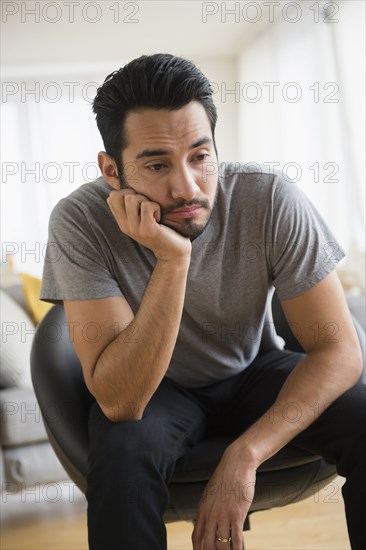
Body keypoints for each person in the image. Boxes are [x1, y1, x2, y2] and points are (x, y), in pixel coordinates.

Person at [40, 53, 365, 550]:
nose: (187, 187)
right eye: (156, 164)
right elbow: (121, 400)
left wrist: (246, 455)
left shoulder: (270, 198)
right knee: (122, 456)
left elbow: (340, 352)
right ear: (111, 169)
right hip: (156, 390)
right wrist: (173, 262)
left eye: (200, 155)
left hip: (255, 370)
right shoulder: (79, 222)